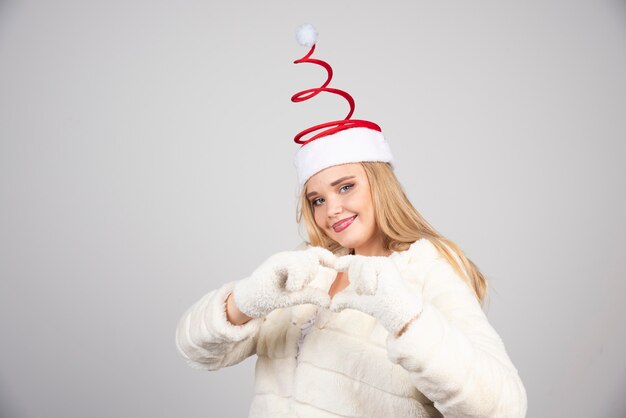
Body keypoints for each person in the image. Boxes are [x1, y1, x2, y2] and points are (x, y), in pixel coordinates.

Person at [175, 24, 528, 418]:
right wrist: (247, 298)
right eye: (317, 199)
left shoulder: (427, 269)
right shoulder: (307, 273)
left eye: (345, 188)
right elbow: (196, 351)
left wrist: (403, 314)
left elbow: (501, 408)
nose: (331, 211)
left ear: (379, 185)